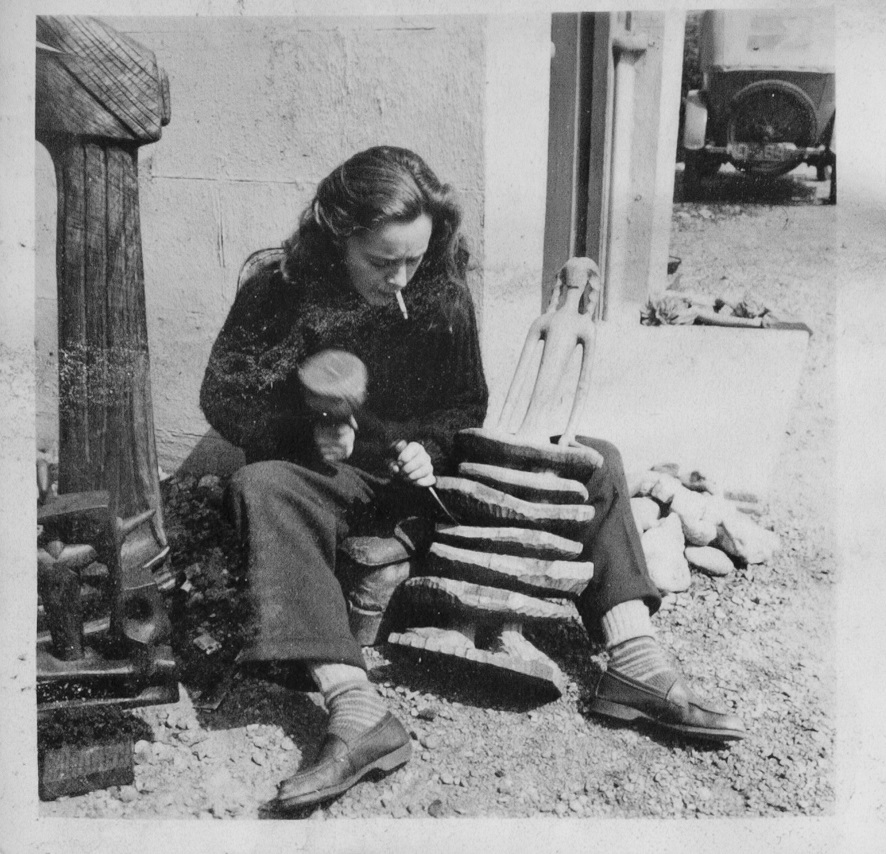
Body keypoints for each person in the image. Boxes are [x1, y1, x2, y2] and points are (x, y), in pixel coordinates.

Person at [200, 146, 744, 813]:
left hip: (427, 479)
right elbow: (223, 398)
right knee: (259, 487)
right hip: (331, 479)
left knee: (592, 458)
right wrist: (304, 429)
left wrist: (428, 449)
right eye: (381, 261)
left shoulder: (439, 289)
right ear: (336, 235)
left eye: (413, 258)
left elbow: (464, 406)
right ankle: (356, 708)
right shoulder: (279, 288)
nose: (401, 278)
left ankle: (634, 664)